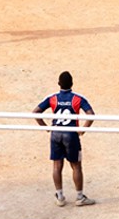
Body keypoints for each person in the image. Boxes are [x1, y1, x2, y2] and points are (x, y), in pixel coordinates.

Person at [33, 71, 96, 207]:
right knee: (76, 166)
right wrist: (83, 129)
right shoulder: (78, 99)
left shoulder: (53, 98)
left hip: (56, 133)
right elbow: (91, 114)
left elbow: (36, 112)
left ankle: (60, 196)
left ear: (58, 84)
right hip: (71, 134)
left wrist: (46, 127)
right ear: (72, 84)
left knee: (57, 165)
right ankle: (79, 197)